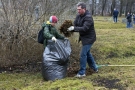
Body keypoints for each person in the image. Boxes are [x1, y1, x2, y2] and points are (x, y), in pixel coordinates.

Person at [67, 2, 98, 77]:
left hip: (89, 38)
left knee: (83, 54)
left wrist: (74, 28)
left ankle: (82, 73)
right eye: (77, 9)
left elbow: (84, 28)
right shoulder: (79, 15)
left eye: (79, 9)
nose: (78, 11)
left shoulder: (88, 17)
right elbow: (75, 24)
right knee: (87, 53)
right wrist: (70, 28)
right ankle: (94, 68)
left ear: (84, 9)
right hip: (84, 38)